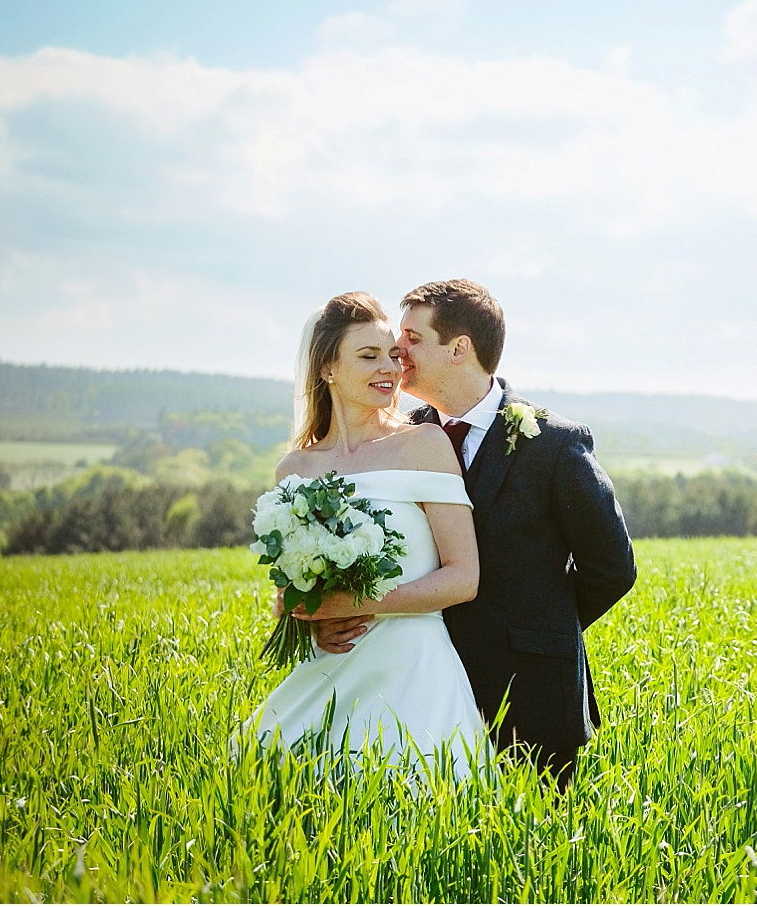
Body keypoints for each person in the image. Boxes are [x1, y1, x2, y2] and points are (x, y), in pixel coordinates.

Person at [310, 279, 636, 790]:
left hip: (530, 691)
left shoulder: (553, 443)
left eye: (413, 339)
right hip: (416, 686)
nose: (398, 351)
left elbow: (612, 567)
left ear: (459, 349)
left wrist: (541, 625)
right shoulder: (400, 439)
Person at [242, 291, 490, 779]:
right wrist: (306, 615)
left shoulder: (425, 445)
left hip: (414, 669)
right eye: (369, 356)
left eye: (393, 355)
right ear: (327, 368)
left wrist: (360, 603)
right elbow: (286, 591)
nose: (391, 368)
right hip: (330, 665)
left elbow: (464, 578)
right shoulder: (294, 470)